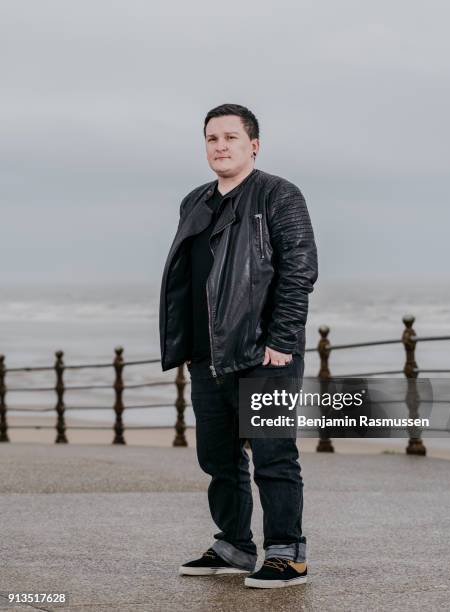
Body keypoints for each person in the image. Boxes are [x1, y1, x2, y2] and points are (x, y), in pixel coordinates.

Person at [159, 103, 318, 588]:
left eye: (230, 137)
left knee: (274, 456)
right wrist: (186, 344)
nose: (220, 146)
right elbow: (190, 279)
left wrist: (282, 339)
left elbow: (299, 270)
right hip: (209, 355)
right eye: (211, 138)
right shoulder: (196, 201)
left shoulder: (278, 195)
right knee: (219, 459)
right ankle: (232, 546)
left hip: (265, 352)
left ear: (254, 144)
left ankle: (288, 554)